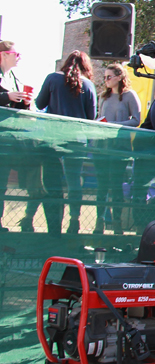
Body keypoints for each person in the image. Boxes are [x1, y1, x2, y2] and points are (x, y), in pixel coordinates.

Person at [34, 50, 97, 234]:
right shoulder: (89, 85)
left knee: (52, 183)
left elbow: (39, 104)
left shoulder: (52, 79)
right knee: (74, 181)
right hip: (77, 140)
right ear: (86, 66)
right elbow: (91, 116)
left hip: (52, 137)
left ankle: (53, 227)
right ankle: (74, 221)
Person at [94, 64, 142, 233]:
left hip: (120, 148)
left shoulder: (129, 95)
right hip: (102, 147)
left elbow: (136, 120)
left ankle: (117, 224)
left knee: (116, 186)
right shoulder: (103, 96)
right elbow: (97, 117)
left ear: (119, 77)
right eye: (105, 77)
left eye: (109, 77)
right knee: (101, 186)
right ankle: (99, 222)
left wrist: (113, 125)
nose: (106, 80)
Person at [0, 41, 38, 231]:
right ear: (4, 54)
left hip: (7, 140)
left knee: (2, 184)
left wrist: (24, 102)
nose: (19, 57)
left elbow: (14, 104)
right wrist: (7, 97)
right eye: (16, 54)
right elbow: (5, 98)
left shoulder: (14, 77)